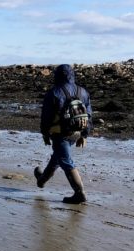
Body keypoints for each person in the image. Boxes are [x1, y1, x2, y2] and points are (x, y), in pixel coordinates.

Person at [35, 64, 93, 204]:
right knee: (58, 157)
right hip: (76, 133)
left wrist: (45, 134)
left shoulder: (54, 92)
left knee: (65, 160)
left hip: (59, 133)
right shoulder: (83, 91)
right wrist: (84, 135)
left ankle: (79, 193)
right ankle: (41, 180)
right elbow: (89, 115)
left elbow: (46, 117)